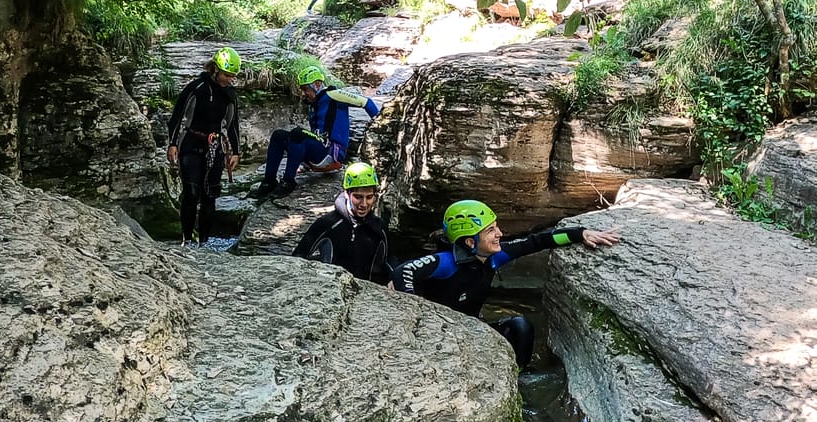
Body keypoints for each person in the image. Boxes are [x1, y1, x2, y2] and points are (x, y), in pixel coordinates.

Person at [391, 200, 619, 367]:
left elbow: (537, 241)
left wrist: (580, 233)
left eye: (496, 226)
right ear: (470, 241)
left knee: (521, 326)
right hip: (440, 334)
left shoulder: (495, 256)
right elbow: (404, 271)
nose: (499, 233)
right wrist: (415, 307)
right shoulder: (446, 262)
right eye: (491, 230)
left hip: (472, 329)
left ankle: (516, 376)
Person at [252, 65, 380, 199]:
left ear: (317, 85)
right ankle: (269, 182)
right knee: (278, 135)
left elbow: (367, 102)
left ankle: (288, 182)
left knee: (298, 133)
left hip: (332, 154)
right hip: (318, 152)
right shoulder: (313, 105)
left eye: (305, 89)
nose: (303, 93)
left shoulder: (334, 95)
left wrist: (380, 125)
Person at [167, 46, 241, 246]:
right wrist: (172, 144)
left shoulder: (229, 96)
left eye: (232, 76)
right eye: (226, 75)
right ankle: (187, 239)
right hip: (191, 142)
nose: (229, 79)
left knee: (210, 195)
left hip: (215, 146)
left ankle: (205, 243)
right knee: (192, 191)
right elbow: (177, 116)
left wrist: (235, 152)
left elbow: (233, 125)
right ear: (215, 69)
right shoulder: (196, 88)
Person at [292, 162, 391, 284]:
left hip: (368, 297)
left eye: (369, 197)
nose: (364, 204)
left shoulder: (379, 227)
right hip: (330, 293)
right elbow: (298, 258)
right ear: (346, 193)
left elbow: (389, 264)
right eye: (358, 197)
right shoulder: (328, 224)